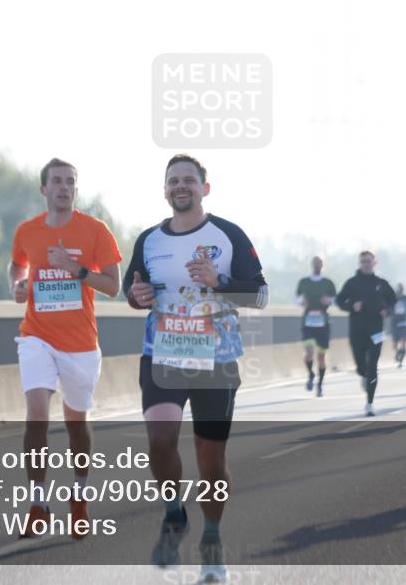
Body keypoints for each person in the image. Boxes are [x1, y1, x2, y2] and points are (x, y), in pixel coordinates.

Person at [123, 154, 268, 582]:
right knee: (160, 439)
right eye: (173, 181)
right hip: (162, 353)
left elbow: (259, 295)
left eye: (189, 180)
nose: (180, 186)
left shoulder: (228, 235)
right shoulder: (148, 240)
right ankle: (173, 512)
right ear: (164, 190)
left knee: (210, 458)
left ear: (206, 187)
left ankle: (212, 537)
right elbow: (134, 292)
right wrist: (138, 297)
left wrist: (219, 283)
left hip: (215, 358)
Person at [9, 158, 122, 538]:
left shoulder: (95, 231)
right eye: (56, 182)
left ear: (75, 189)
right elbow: (17, 265)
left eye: (70, 182)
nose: (64, 188)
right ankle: (38, 503)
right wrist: (18, 285)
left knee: (77, 426)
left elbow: (112, 286)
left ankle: (79, 496)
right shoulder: (27, 231)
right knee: (36, 416)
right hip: (36, 335)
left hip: (80, 345)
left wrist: (75, 270)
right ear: (44, 189)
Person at [336, 251, 397, 417]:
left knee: (373, 367)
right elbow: (340, 300)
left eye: (369, 261)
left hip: (376, 331)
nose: (366, 264)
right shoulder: (352, 283)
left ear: (374, 262)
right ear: (359, 263)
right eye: (363, 261)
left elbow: (393, 300)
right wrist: (351, 306)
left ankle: (369, 404)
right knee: (361, 367)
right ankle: (364, 375)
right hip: (357, 331)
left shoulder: (381, 283)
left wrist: (387, 311)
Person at [296, 256, 337, 396]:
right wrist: (302, 302)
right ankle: (311, 374)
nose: (317, 266)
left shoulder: (328, 282)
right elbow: (296, 297)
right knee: (309, 353)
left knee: (321, 357)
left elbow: (335, 299)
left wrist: (329, 301)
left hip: (323, 322)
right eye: (315, 263)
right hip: (308, 321)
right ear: (312, 265)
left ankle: (319, 385)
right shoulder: (304, 282)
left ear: (323, 265)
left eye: (319, 263)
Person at [391, 283, 406, 367]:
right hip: (395, 321)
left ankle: (400, 360)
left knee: (403, 342)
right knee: (395, 342)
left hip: (404, 322)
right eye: (399, 288)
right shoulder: (392, 298)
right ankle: (397, 354)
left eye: (401, 288)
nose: (400, 290)